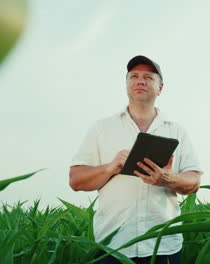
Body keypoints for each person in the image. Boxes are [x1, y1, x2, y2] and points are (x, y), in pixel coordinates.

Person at [69, 55, 202, 264]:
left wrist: (167, 179)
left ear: (161, 87)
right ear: (127, 84)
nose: (140, 81)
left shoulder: (177, 131)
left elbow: (194, 181)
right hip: (112, 247)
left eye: (149, 77)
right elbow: (75, 180)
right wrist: (109, 168)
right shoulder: (101, 129)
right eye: (134, 76)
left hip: (164, 246)